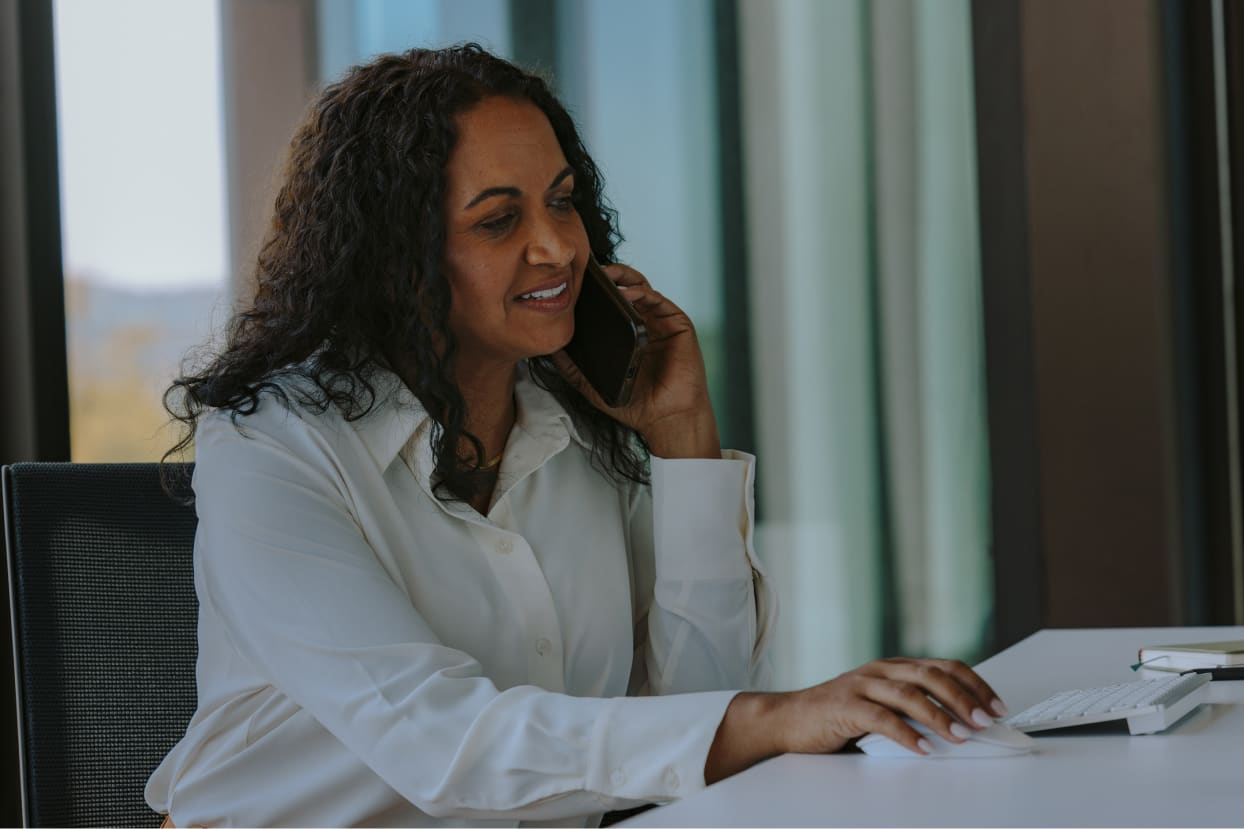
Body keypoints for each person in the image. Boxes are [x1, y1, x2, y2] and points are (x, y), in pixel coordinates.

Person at [146, 44, 1007, 827]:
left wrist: (683, 442)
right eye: (498, 221)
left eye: (561, 202)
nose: (559, 247)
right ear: (392, 256)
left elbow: (695, 704)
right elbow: (437, 740)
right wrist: (774, 719)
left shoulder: (577, 428)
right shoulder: (271, 445)